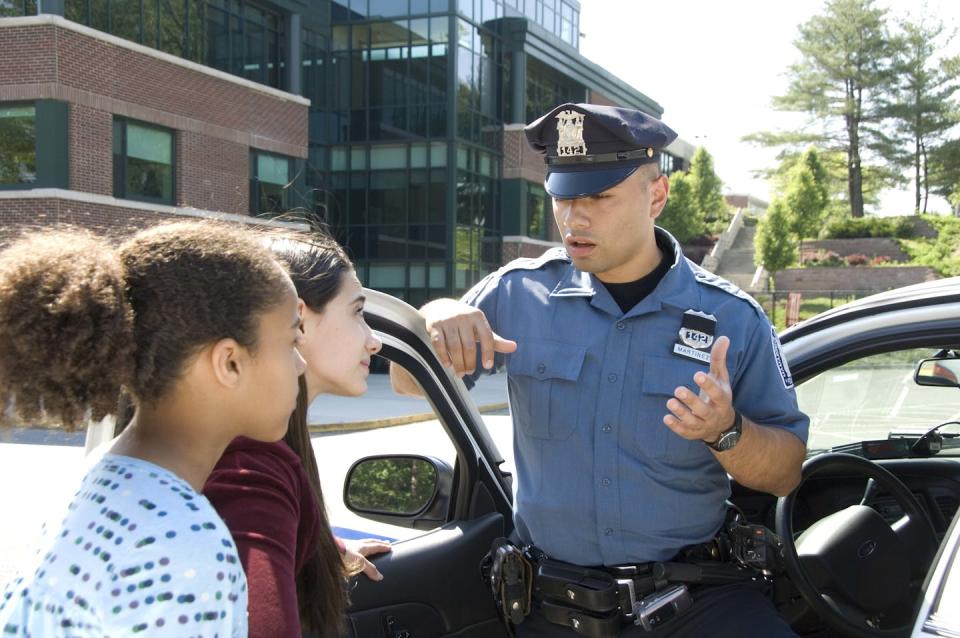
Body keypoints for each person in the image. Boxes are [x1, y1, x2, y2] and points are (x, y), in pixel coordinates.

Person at [391, 103, 809, 637]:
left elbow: (787, 471)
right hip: (550, 610)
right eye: (563, 197)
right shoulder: (518, 292)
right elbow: (408, 381)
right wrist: (435, 317)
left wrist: (725, 432)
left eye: (599, 197)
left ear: (656, 196)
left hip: (697, 606)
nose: (574, 218)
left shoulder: (733, 318)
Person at [0, 221, 305, 637]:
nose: (301, 366)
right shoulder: (180, 544)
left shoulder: (104, 476)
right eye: (291, 343)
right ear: (230, 362)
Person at [204, 232, 390, 638]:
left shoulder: (265, 445)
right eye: (357, 312)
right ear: (298, 319)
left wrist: (325, 549)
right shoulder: (252, 471)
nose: (373, 341)